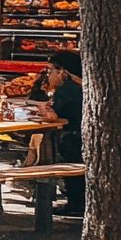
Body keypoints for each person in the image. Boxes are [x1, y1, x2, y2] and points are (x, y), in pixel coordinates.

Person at [37, 50, 84, 216]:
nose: (48, 75)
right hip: (80, 135)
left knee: (73, 172)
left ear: (62, 72)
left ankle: (76, 205)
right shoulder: (79, 86)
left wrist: (42, 109)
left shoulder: (66, 89)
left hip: (74, 138)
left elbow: (53, 117)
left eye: (51, 71)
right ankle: (76, 203)